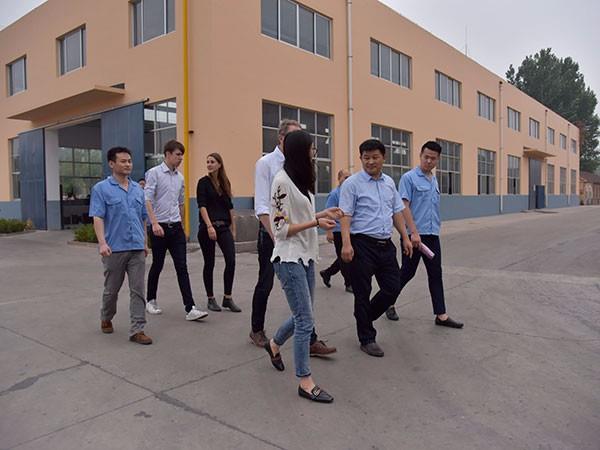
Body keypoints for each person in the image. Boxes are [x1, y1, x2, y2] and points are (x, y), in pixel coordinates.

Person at [263, 130, 341, 403]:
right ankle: (305, 381)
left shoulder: (300, 180)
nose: (314, 153)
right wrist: (317, 223)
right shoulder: (281, 181)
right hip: (288, 258)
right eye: (311, 148)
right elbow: (280, 229)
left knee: (303, 316)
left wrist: (322, 214)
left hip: (305, 256)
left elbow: (301, 216)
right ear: (300, 151)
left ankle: (274, 343)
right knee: (305, 320)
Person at [250, 119, 336, 357]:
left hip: (298, 238)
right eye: (297, 138)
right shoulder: (267, 164)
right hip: (274, 233)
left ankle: (309, 339)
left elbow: (303, 211)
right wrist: (278, 238)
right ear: (282, 139)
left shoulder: (302, 167)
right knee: (266, 282)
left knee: (305, 304)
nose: (306, 145)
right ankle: (257, 329)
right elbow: (263, 207)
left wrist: (320, 216)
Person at [339, 139, 417, 357]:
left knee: (393, 287)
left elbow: (396, 212)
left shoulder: (389, 182)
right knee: (362, 292)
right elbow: (345, 215)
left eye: (375, 157)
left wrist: (405, 237)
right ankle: (367, 338)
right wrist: (346, 243)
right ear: (361, 158)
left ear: (383, 158)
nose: (370, 162)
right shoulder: (352, 184)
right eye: (366, 158)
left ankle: (364, 317)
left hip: (385, 245)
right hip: (362, 244)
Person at [384, 141, 464, 329]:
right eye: (426, 157)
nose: (429, 161)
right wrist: (412, 233)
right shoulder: (409, 178)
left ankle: (441, 315)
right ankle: (388, 302)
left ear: (438, 159)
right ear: (420, 155)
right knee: (407, 272)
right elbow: (404, 206)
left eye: (433, 158)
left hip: (432, 235)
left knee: (436, 273)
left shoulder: (433, 179)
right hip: (414, 237)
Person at [89, 146, 152, 345]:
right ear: (112, 164)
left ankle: (137, 329)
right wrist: (102, 243)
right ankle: (106, 316)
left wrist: (145, 243)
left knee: (138, 290)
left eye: (129, 161)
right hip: (114, 248)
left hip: (136, 248)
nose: (127, 164)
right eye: (123, 161)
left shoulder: (137, 189)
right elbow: (98, 217)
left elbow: (143, 218)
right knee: (112, 290)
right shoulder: (101, 189)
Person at [144, 140, 208, 321]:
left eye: (182, 155)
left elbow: (181, 203)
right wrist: (154, 223)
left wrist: (183, 225)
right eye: (178, 154)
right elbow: (147, 200)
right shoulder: (154, 173)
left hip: (176, 228)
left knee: (182, 267)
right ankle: (151, 300)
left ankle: (190, 308)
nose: (180, 158)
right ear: (167, 154)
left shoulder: (180, 177)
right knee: (157, 264)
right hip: (159, 227)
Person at [196, 153, 240, 313]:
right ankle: (210, 298)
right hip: (208, 227)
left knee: (231, 260)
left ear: (219, 164)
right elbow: (202, 206)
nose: (209, 164)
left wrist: (233, 229)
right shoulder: (203, 183)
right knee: (210, 263)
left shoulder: (224, 183)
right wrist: (209, 226)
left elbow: (230, 208)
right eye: (207, 162)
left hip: (223, 227)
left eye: (212, 162)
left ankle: (227, 298)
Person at [319, 169, 352, 293]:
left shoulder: (350, 192)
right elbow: (328, 213)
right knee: (344, 259)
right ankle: (349, 283)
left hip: (349, 230)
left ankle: (327, 273)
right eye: (345, 177)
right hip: (337, 230)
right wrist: (329, 232)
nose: (348, 180)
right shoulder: (334, 194)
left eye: (349, 177)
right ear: (339, 179)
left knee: (345, 256)